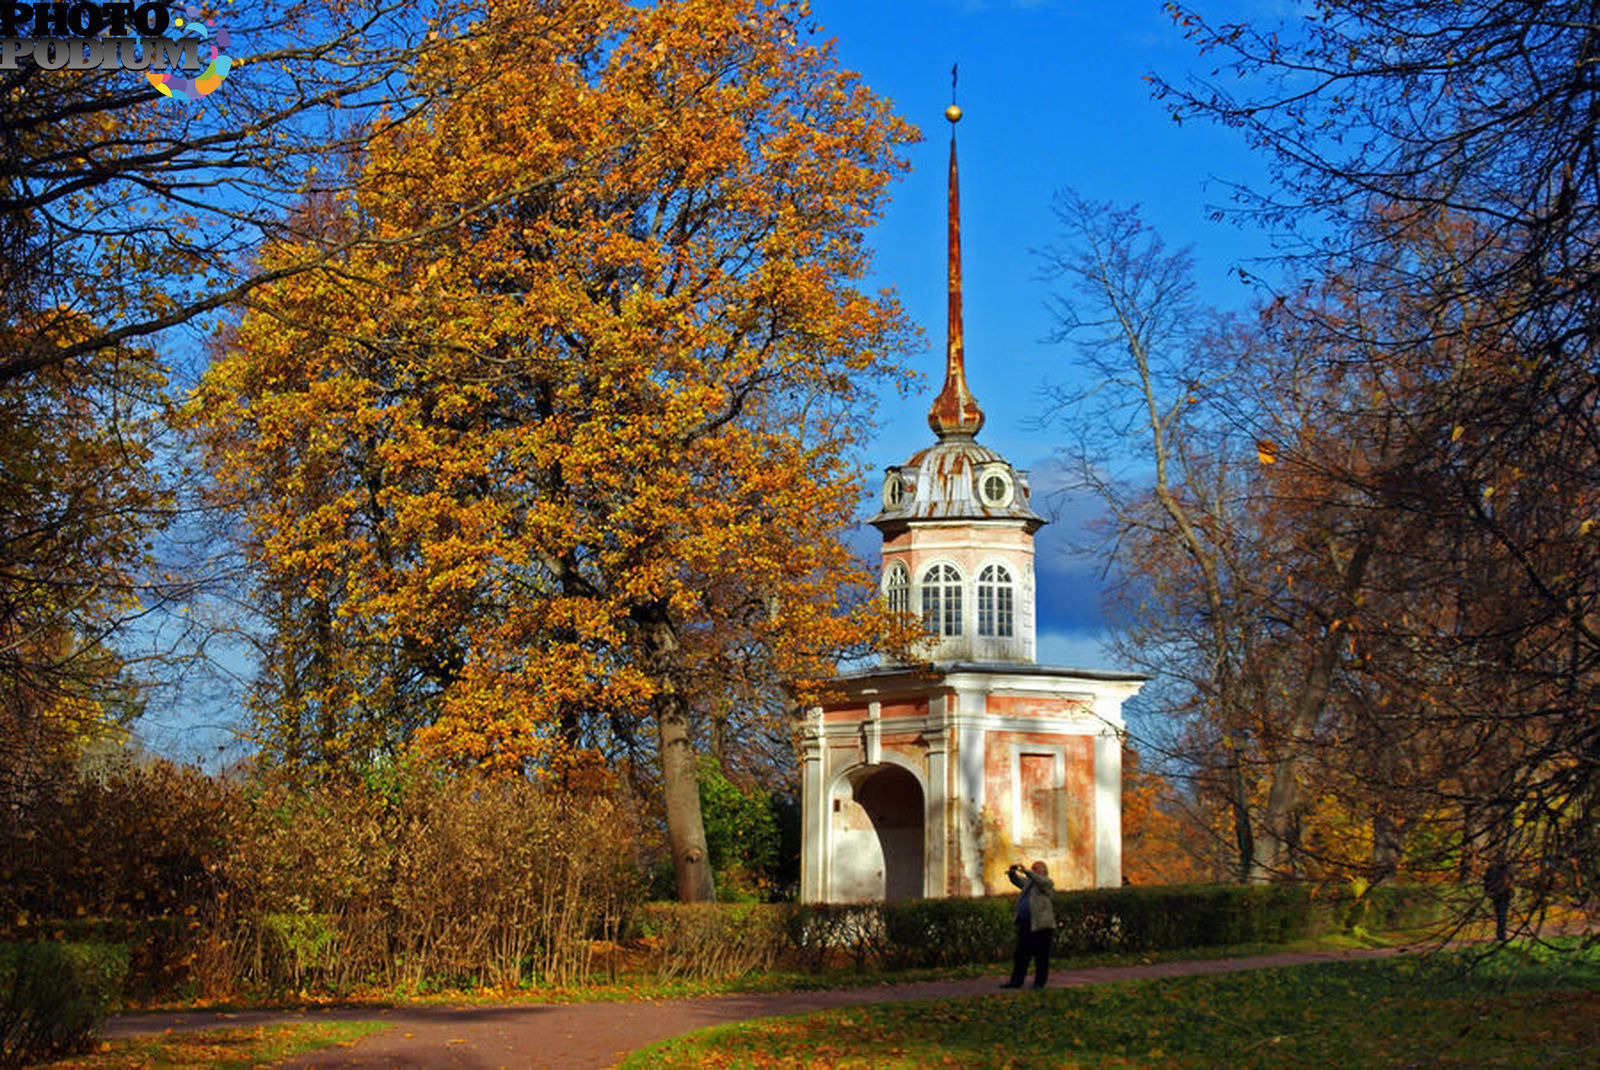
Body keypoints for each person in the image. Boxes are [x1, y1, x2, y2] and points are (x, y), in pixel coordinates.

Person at [1001, 860, 1055, 989]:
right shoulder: (1029, 884)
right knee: (1021, 955)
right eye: (1033, 868)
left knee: (1041, 956)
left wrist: (1026, 871)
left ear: (1044, 871)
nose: (1034, 871)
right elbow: (1017, 881)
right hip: (1026, 924)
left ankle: (1039, 982)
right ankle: (1016, 981)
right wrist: (1012, 872)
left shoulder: (1047, 883)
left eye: (1037, 869)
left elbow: (1039, 880)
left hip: (1041, 926)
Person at [1484, 860, 1514, 942]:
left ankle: (1501, 935)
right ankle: (1501, 934)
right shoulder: (1500, 869)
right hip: (1499, 893)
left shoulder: (1503, 869)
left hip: (1502, 893)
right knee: (1500, 914)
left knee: (1501, 914)